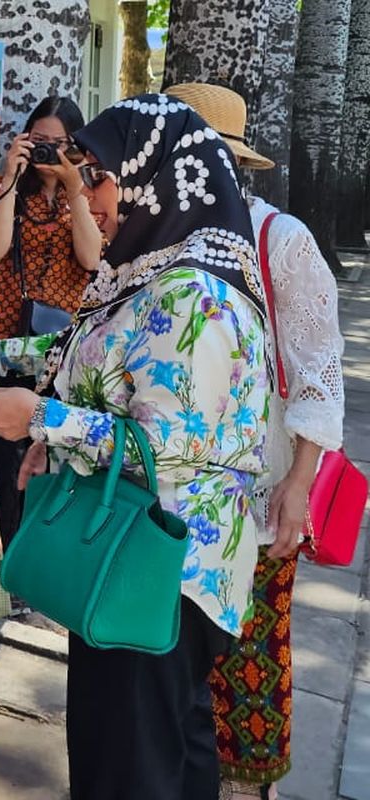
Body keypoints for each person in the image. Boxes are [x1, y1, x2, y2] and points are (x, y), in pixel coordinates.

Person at [0, 95, 269, 799]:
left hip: (162, 564)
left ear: (154, 180)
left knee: (129, 761)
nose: (84, 198)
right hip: (141, 556)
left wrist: (43, 421)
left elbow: (173, 449)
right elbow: (91, 353)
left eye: (98, 178)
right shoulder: (153, 274)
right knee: (163, 743)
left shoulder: (195, 296)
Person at [167, 82, 346, 800]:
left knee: (252, 649)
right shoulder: (161, 237)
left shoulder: (281, 241)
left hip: (258, 490)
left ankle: (247, 786)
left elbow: (318, 377)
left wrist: (298, 487)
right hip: (174, 489)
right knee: (174, 648)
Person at [0, 96, 116, 652]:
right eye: (37, 141)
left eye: (58, 144)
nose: (47, 152)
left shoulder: (84, 203)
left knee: (30, 464)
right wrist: (8, 178)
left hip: (46, 351)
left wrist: (71, 186)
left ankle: (19, 573)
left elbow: (93, 263)